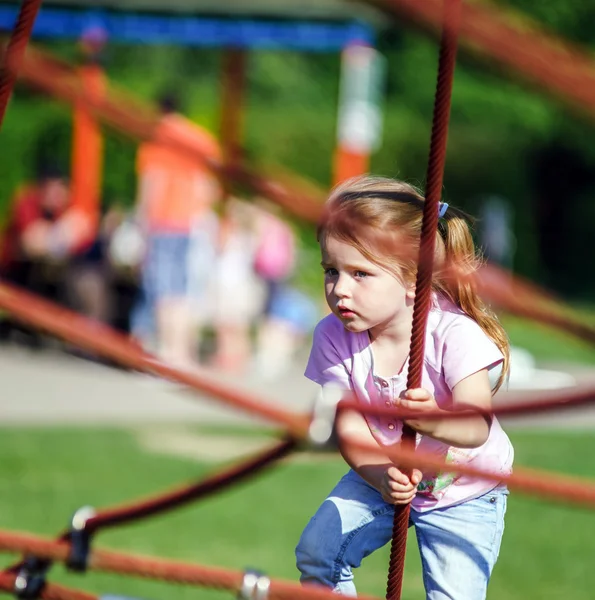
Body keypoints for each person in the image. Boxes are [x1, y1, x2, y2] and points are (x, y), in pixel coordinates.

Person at [295, 176, 513, 599]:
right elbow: (350, 428)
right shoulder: (334, 336)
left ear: (415, 279)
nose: (340, 289)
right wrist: (379, 476)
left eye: (361, 274)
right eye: (331, 270)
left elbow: (476, 426)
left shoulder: (453, 335)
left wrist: (432, 420)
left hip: (464, 490)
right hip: (384, 471)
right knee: (317, 552)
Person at [132, 93, 221, 369]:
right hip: (194, 224)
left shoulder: (157, 139)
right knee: (184, 289)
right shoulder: (201, 139)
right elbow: (210, 187)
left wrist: (141, 224)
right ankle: (183, 355)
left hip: (164, 223)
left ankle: (168, 355)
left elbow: (152, 185)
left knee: (163, 289)